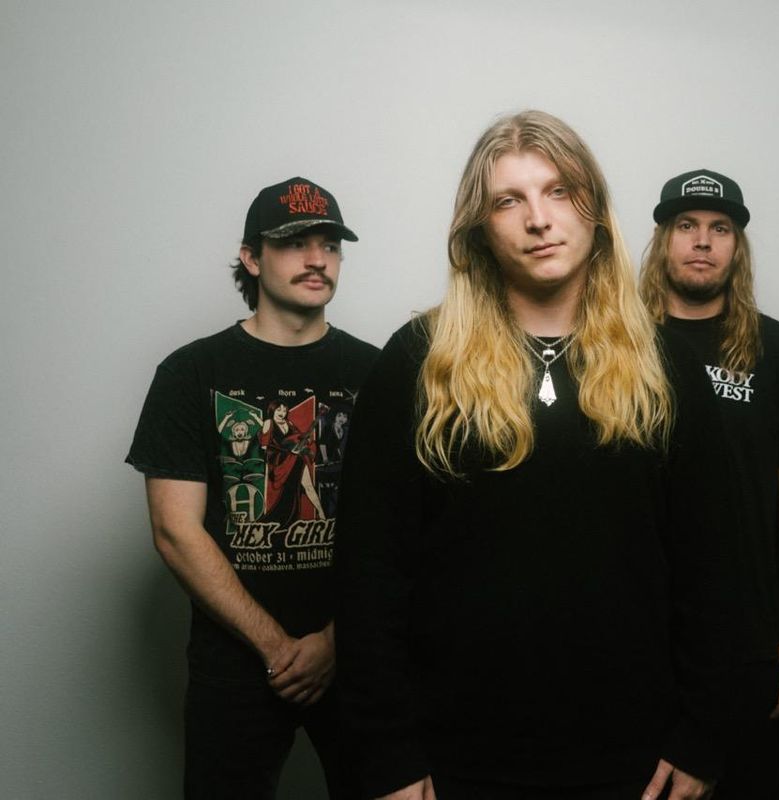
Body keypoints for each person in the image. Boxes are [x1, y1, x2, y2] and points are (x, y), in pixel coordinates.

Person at [334, 111, 735, 800]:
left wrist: (702, 737)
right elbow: (370, 573)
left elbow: (713, 567)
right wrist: (388, 753)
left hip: (633, 759)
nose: (539, 219)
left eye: (558, 191)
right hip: (457, 757)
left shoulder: (666, 367)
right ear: (479, 229)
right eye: (508, 200)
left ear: (594, 210)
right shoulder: (417, 362)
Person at [126, 177, 379, 798]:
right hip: (235, 662)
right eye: (294, 243)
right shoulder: (191, 372)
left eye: (330, 245)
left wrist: (334, 642)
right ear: (251, 257)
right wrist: (276, 647)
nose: (317, 259)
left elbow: (406, 529)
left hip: (358, 654)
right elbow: (175, 531)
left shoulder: (379, 372)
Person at [639, 169, 779, 797]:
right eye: (686, 226)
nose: (703, 241)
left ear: (737, 247)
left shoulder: (777, 350)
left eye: (720, 228)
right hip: (640, 640)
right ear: (662, 241)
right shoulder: (619, 345)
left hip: (750, 642)